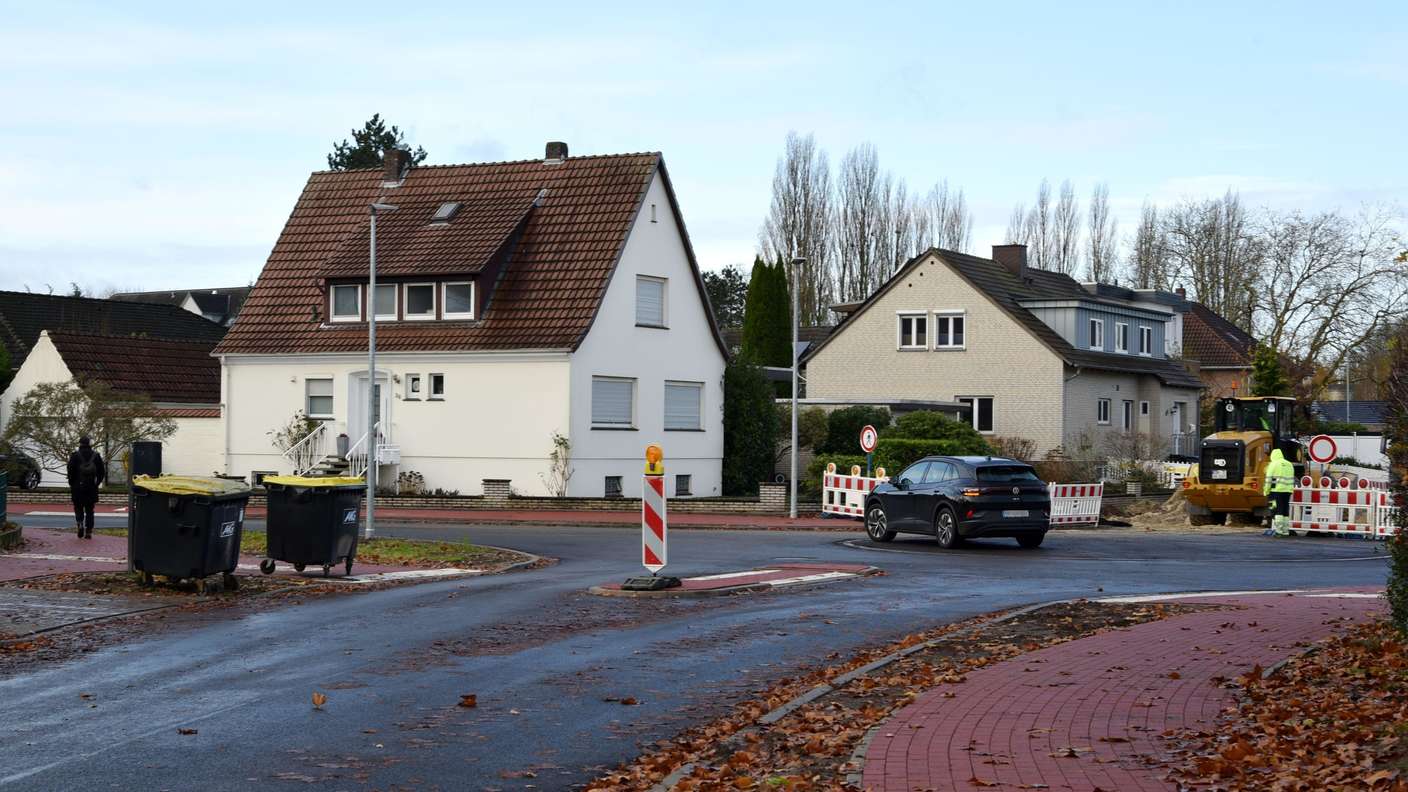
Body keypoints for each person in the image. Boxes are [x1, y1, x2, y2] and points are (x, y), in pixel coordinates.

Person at [66, 436, 105, 539]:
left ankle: (80, 523)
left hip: (77, 487)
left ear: (80, 443)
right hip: (91, 487)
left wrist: (72, 483)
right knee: (90, 510)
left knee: (78, 508)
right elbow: (102, 472)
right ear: (89, 443)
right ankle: (89, 531)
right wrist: (97, 483)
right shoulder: (96, 455)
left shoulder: (75, 456)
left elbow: (70, 470)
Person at [1262, 448, 1296, 537]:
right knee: (1285, 511)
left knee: (1277, 510)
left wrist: (1266, 491)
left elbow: (1268, 479)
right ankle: (1285, 531)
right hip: (1287, 491)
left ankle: (1279, 531)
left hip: (1276, 491)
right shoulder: (1289, 464)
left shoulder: (1273, 464)